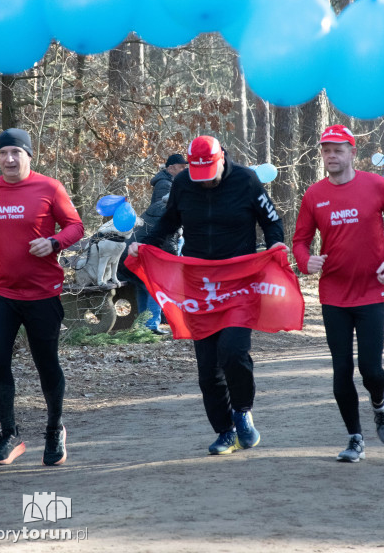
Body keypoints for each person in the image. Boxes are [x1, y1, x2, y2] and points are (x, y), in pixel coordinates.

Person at [128, 135, 284, 455]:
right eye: (198, 174)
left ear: (222, 159)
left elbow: (271, 221)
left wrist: (276, 245)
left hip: (240, 281)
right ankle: (224, 431)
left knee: (233, 351)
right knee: (208, 369)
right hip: (199, 285)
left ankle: (241, 412)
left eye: (209, 173)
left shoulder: (246, 181)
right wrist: (145, 246)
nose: (205, 182)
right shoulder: (184, 183)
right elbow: (169, 222)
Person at [292, 125, 384, 463]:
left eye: (338, 150)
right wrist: (306, 261)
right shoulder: (314, 195)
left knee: (371, 371)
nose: (331, 156)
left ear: (352, 153)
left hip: (371, 291)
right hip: (333, 294)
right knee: (341, 369)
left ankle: (380, 405)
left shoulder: (376, 185)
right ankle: (355, 438)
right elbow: (300, 241)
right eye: (326, 150)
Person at [0, 128, 84, 467]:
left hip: (42, 292)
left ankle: (54, 429)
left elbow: (76, 225)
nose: (10, 159)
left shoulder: (49, 188)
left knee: (46, 363)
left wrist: (55, 242)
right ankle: (10, 435)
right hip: (0, 292)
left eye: (16, 152)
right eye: (4, 153)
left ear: (30, 156)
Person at [117, 196, 179, 335]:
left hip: (126, 256)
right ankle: (151, 325)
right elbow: (169, 244)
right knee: (155, 288)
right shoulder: (171, 213)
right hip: (139, 256)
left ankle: (141, 324)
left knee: (142, 287)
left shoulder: (154, 208)